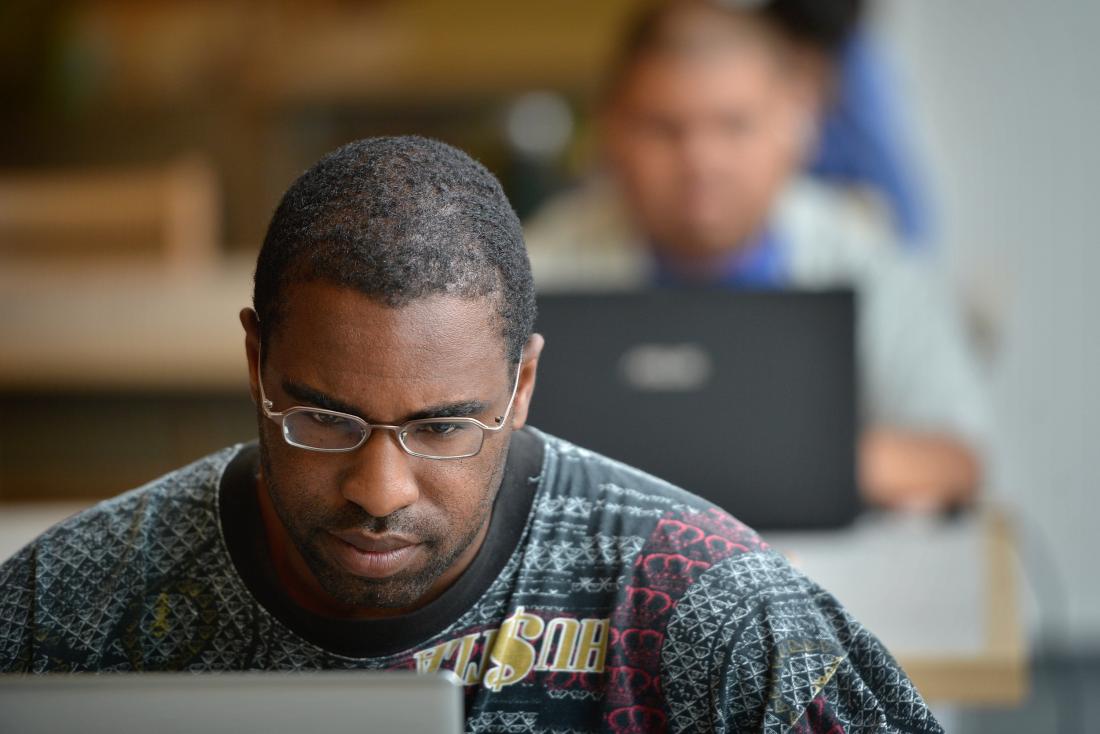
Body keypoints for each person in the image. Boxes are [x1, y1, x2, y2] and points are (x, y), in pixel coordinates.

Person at [0, 136, 941, 732]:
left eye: (443, 426)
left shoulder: (701, 607)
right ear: (255, 366)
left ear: (523, 383)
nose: (379, 490)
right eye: (323, 418)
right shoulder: (68, 607)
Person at [525, 0, 988, 511]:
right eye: (665, 128)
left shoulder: (869, 260)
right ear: (611, 131)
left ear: (797, 122)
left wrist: (735, 458)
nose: (702, 159)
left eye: (734, 124)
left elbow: (956, 459)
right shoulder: (534, 269)